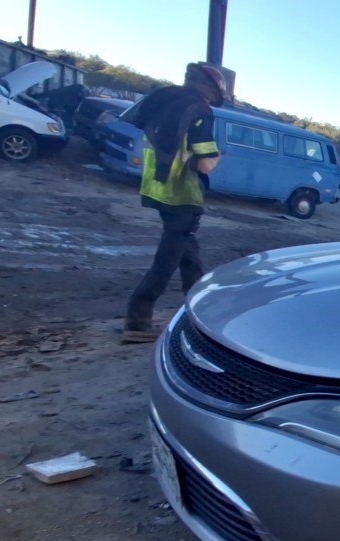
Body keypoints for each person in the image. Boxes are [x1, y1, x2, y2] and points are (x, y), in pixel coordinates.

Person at [122, 62, 227, 343]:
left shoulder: (166, 98)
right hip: (181, 192)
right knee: (167, 259)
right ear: (214, 90)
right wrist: (218, 157)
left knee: (188, 252)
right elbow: (204, 165)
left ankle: (202, 313)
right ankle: (136, 320)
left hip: (156, 185)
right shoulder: (200, 110)